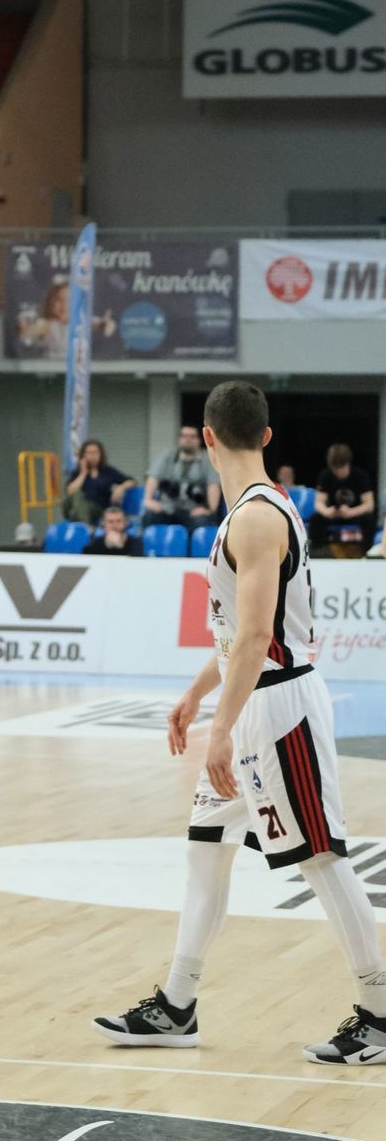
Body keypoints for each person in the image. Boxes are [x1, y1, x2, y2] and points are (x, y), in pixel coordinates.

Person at [94, 379, 386, 1065]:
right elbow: (235, 634)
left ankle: (379, 1011)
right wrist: (199, 693)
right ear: (266, 437)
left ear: (208, 437)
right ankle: (177, 1003)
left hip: (277, 708)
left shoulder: (257, 518)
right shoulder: (253, 512)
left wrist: (220, 729)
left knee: (320, 858)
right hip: (250, 699)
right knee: (205, 850)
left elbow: (257, 637)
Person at [143, 423, 221, 533]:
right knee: (150, 516)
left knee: (203, 522)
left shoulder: (207, 459)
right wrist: (148, 500)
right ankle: (150, 551)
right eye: (184, 436)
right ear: (179, 439)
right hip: (167, 509)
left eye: (192, 437)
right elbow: (153, 477)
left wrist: (210, 510)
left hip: (194, 511)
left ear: (199, 440)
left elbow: (213, 485)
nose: (187, 440)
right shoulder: (168, 456)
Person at [310, 443, 376, 558]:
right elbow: (318, 503)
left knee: (369, 519)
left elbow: (369, 504)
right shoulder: (325, 476)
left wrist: (352, 512)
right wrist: (327, 511)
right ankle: (317, 552)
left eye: (341, 468)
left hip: (354, 514)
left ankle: (366, 551)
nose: (337, 472)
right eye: (335, 469)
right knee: (315, 520)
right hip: (334, 514)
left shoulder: (360, 476)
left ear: (347, 464)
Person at [62, 438, 135, 525]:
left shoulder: (107, 471)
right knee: (77, 497)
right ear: (83, 455)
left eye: (95, 452)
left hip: (101, 508)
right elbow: (70, 492)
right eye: (89, 453)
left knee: (77, 510)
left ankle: (85, 529)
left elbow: (131, 481)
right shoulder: (77, 473)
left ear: (101, 454)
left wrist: (121, 487)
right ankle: (85, 527)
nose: (92, 456)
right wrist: (83, 473)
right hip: (79, 508)